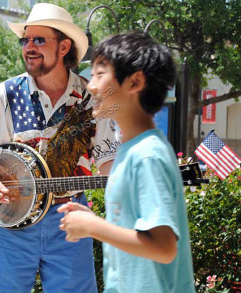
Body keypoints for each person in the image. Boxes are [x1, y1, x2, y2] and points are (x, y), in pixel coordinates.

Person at [0, 3, 118, 293]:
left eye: (39, 39)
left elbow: (109, 163)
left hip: (69, 220)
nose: (29, 46)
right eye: (25, 40)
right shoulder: (7, 93)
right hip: (11, 225)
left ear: (64, 47)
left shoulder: (92, 100)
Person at [58, 31, 196, 293]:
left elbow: (164, 248)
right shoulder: (130, 150)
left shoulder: (147, 156)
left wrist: (95, 227)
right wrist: (98, 223)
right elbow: (139, 233)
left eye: (100, 74)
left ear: (134, 83)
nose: (91, 85)